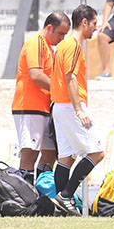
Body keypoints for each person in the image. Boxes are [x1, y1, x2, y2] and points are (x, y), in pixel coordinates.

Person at [50, 4, 104, 216]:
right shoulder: (73, 45)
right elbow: (70, 76)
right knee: (97, 152)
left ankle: (59, 208)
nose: (95, 29)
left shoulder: (63, 45)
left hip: (59, 106)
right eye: (93, 24)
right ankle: (66, 196)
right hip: (70, 106)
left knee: (66, 158)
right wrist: (79, 109)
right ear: (84, 22)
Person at [11, 11, 70, 184]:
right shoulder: (36, 43)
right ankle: (25, 199)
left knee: (49, 153)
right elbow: (36, 75)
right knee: (30, 153)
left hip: (43, 107)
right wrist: (61, 91)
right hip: (29, 106)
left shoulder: (47, 48)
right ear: (49, 28)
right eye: (60, 33)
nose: (62, 38)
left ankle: (40, 193)